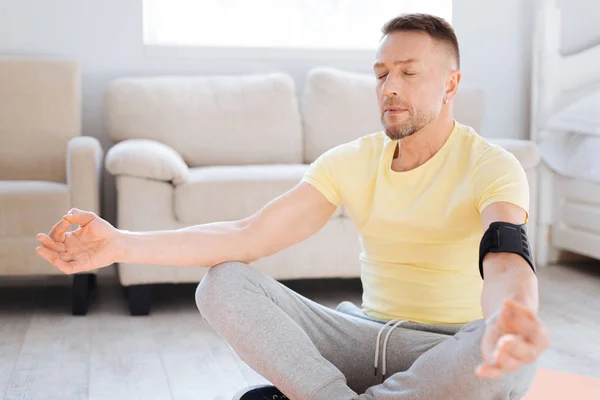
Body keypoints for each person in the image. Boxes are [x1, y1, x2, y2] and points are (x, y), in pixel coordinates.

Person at [36, 13, 549, 400]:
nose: (389, 87)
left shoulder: (492, 165)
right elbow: (246, 234)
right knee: (223, 283)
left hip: (441, 351)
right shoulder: (350, 161)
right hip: (357, 336)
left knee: (514, 364)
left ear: (451, 83)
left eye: (409, 72)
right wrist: (120, 244)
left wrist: (512, 317)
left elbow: (504, 257)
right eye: (381, 73)